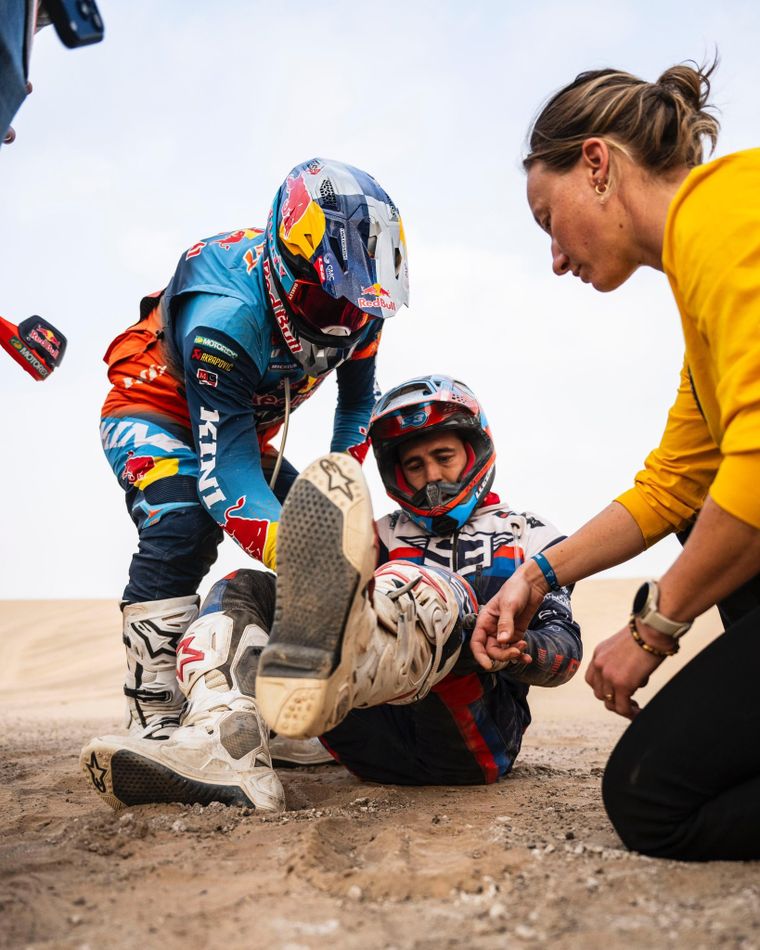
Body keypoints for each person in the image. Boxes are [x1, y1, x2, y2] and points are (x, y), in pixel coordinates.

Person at [472, 61, 760, 862]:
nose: (555, 258)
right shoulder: (709, 244)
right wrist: (537, 576)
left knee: (651, 800)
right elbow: (675, 484)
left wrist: (654, 627)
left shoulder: (725, 217)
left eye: (547, 220)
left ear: (595, 165)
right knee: (706, 509)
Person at [81, 375, 581, 810]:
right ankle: (224, 744)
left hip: (468, 743)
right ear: (392, 473)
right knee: (245, 588)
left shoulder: (529, 534)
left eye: (444, 457)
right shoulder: (372, 534)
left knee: (432, 586)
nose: (431, 477)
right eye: (413, 465)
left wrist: (519, 652)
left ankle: (333, 663)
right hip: (361, 744)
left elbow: (565, 650)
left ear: (476, 451)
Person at [89, 158, 409, 775]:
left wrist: (339, 491)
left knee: (318, 530)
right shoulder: (226, 316)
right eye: (323, 294)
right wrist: (309, 558)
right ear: (286, 267)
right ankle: (153, 704)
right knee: (184, 516)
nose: (342, 317)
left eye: (357, 300)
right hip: (155, 406)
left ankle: (277, 703)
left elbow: (358, 402)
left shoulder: (362, 305)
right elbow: (226, 478)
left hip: (242, 420)